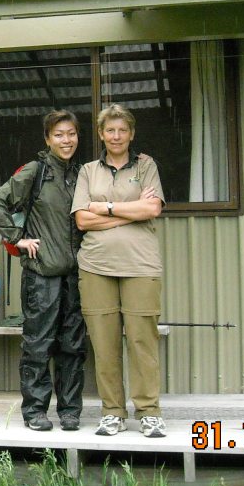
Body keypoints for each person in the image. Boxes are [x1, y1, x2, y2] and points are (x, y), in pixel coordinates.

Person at [71, 104, 166, 438]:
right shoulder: (87, 171)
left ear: (131, 133)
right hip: (96, 266)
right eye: (110, 130)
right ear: (101, 134)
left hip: (141, 265)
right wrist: (130, 212)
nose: (116, 136)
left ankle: (149, 412)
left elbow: (152, 208)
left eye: (122, 130)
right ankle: (113, 412)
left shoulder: (146, 165)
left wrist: (106, 207)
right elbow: (82, 219)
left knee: (142, 340)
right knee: (104, 343)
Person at [0, 110, 86, 432]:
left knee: (73, 346)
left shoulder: (81, 174)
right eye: (59, 134)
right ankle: (34, 411)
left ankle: (70, 411)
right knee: (38, 345)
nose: (66, 140)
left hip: (75, 276)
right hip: (41, 275)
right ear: (47, 139)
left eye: (71, 134)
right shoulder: (36, 171)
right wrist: (17, 238)